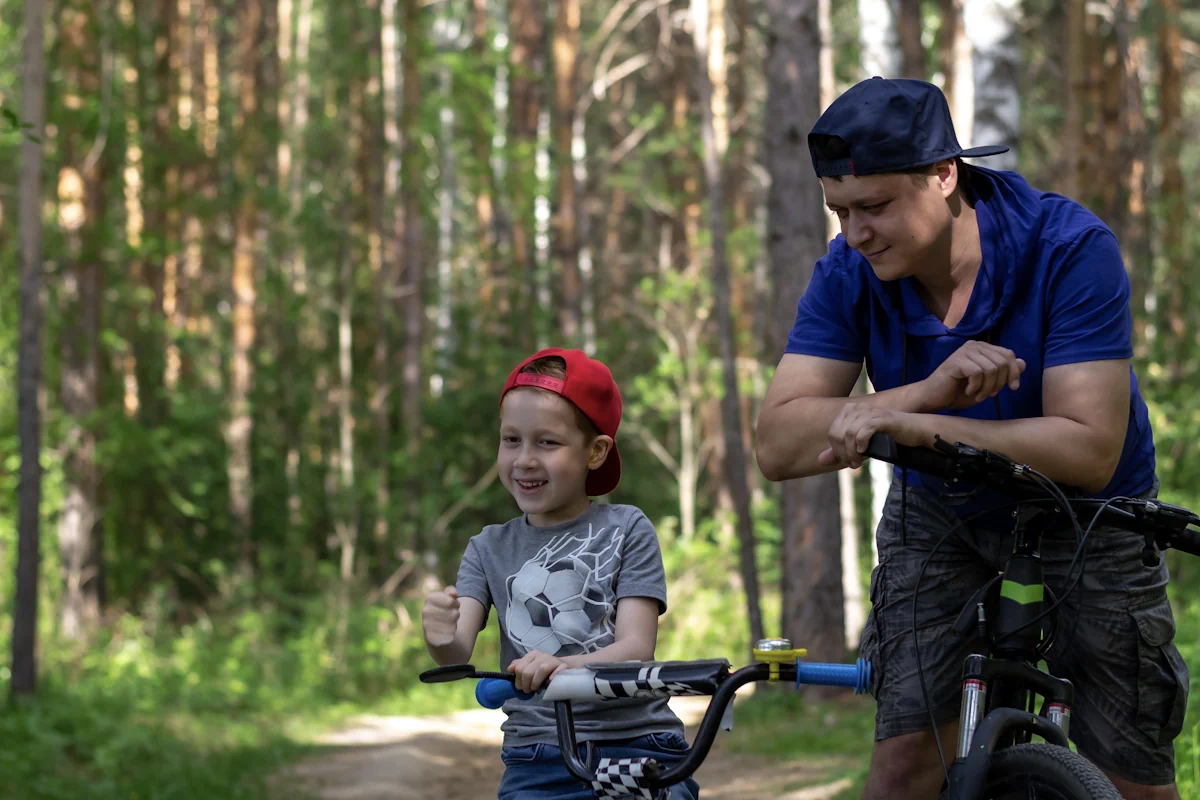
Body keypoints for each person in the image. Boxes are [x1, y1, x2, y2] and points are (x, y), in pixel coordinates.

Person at [756, 77, 1189, 800]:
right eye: (840, 213)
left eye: (875, 207)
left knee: (1128, 779)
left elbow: (1088, 448)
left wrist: (916, 426)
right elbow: (779, 444)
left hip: (1089, 510)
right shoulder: (848, 272)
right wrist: (923, 394)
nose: (855, 234)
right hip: (940, 510)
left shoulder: (1069, 246)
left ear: (944, 174)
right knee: (903, 766)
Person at [422, 347, 700, 800]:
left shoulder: (628, 528)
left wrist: (563, 666)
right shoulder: (487, 548)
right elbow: (456, 654)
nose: (524, 459)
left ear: (595, 451)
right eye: (511, 440)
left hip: (639, 746)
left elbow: (635, 646)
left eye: (546, 443)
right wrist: (438, 636)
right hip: (538, 756)